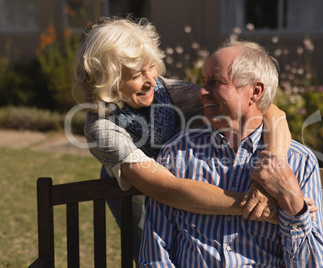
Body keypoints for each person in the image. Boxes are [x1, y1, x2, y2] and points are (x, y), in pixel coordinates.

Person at [72, 16, 307, 265]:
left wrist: (270, 174)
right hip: (138, 194)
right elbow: (166, 188)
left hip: (193, 189)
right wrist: (253, 206)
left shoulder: (174, 93)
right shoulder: (101, 128)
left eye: (150, 67)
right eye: (136, 75)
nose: (151, 80)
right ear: (108, 80)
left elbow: (270, 112)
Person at [140, 40, 323, 267]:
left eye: (216, 81)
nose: (201, 91)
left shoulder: (299, 161)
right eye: (203, 81)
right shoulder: (178, 153)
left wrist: (292, 202)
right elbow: (155, 256)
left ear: (256, 91)